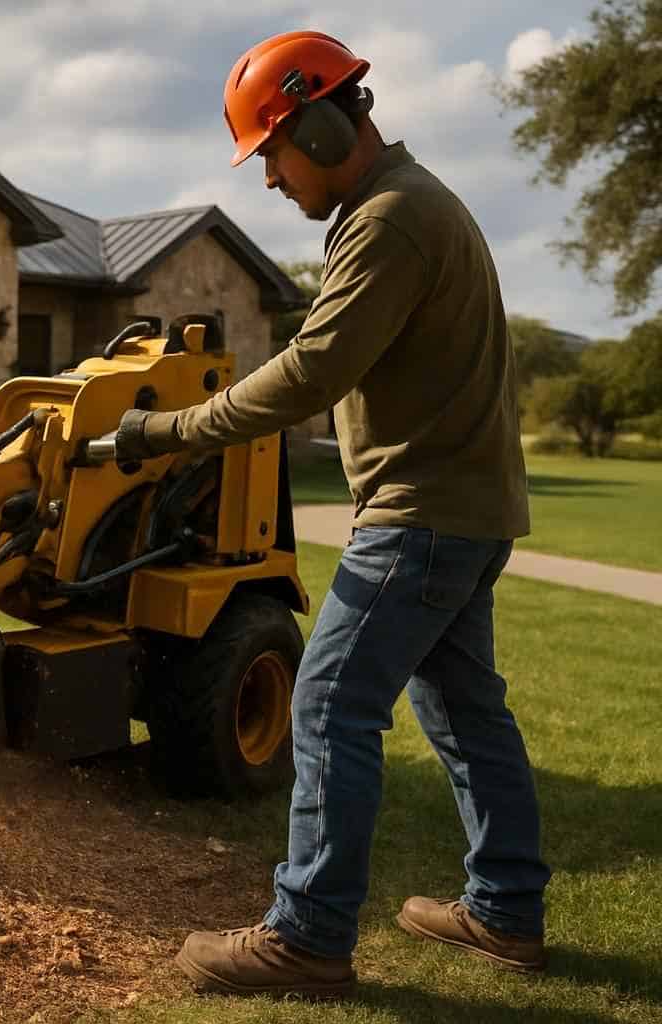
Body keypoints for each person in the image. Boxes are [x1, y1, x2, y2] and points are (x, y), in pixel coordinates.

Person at [114, 30, 552, 999]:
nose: (271, 181)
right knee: (465, 711)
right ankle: (506, 909)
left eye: (271, 154)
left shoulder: (391, 218)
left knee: (325, 704)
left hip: (421, 517)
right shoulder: (412, 204)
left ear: (317, 126)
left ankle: (307, 937)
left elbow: (313, 370)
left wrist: (170, 432)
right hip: (468, 512)